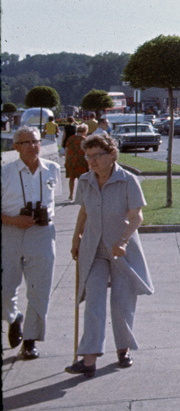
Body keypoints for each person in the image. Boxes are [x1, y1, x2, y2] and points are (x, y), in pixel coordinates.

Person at [66, 134, 153, 377]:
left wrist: (124, 240)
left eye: (97, 156)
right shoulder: (85, 180)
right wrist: (76, 238)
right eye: (88, 156)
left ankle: (123, 349)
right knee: (93, 301)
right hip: (94, 249)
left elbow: (137, 217)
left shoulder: (128, 180)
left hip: (121, 249)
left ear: (112, 155)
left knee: (122, 302)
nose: (91, 161)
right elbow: (84, 212)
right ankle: (89, 359)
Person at [2, 125, 62, 360]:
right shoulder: (5, 173)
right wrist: (12, 220)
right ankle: (13, 317)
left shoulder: (52, 170)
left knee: (40, 289)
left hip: (42, 234)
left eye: (35, 141)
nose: (32, 146)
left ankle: (30, 339)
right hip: (10, 232)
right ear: (16, 147)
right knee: (5, 288)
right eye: (26, 142)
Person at [65, 123, 89, 201]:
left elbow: (66, 150)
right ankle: (81, 195)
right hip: (81, 161)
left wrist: (66, 160)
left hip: (71, 160)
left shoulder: (70, 138)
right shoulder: (85, 140)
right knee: (81, 179)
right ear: (85, 131)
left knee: (72, 179)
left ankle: (71, 195)